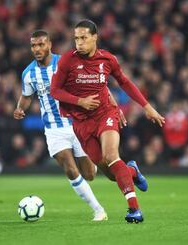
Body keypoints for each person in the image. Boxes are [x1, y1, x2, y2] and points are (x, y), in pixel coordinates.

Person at [50, 20, 165, 223]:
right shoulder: (68, 60)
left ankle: (134, 210)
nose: (79, 42)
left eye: (84, 38)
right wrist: (80, 101)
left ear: (95, 37)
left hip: (105, 114)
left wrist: (147, 107)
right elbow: (55, 90)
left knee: (112, 156)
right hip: (81, 124)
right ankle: (132, 171)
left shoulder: (108, 59)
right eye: (76, 38)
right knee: (113, 174)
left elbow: (125, 82)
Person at [14, 30, 114, 221]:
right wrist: (20, 108)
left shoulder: (66, 63)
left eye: (41, 44)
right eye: (33, 45)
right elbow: (27, 96)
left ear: (49, 44)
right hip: (53, 129)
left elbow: (93, 82)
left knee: (89, 174)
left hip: (77, 122)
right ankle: (98, 210)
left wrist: (110, 100)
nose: (37, 49)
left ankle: (96, 164)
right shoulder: (28, 73)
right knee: (70, 169)